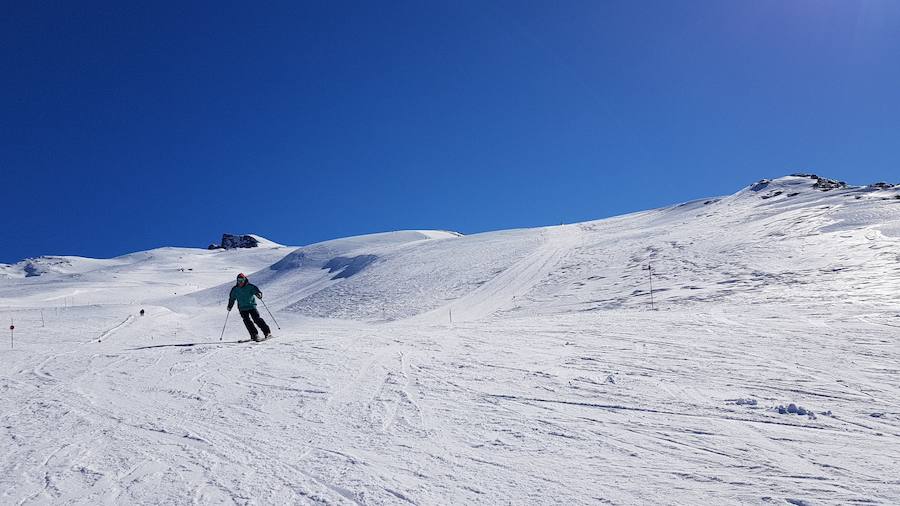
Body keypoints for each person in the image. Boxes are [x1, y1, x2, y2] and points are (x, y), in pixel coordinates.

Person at [227, 273, 272, 341]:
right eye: (239, 280)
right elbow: (232, 298)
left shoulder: (250, 287)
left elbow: (257, 291)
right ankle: (254, 335)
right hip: (242, 308)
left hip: (251, 306)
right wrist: (230, 306)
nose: (240, 282)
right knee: (247, 321)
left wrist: (258, 294)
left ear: (245, 280)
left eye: (242, 280)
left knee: (256, 319)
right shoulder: (235, 289)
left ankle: (267, 332)